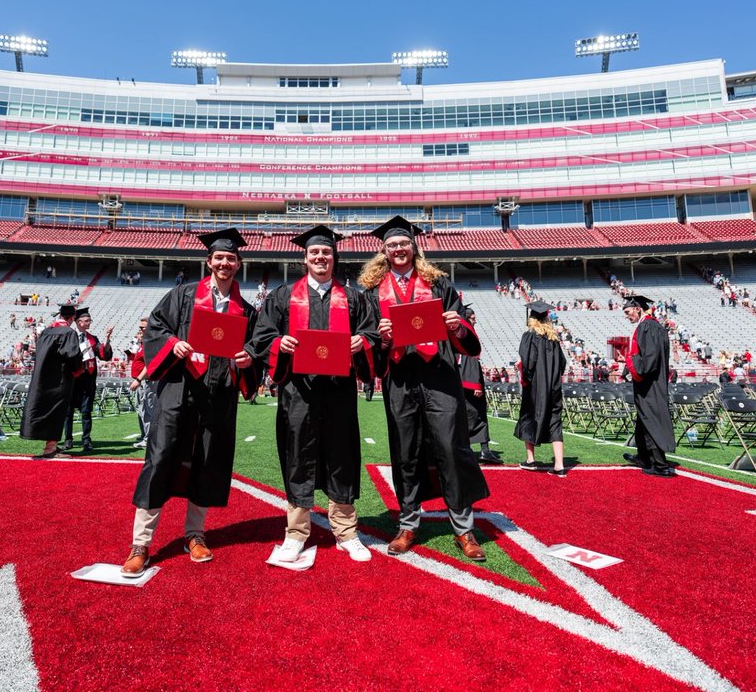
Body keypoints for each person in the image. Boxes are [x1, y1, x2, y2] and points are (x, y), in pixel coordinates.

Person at [120, 229, 260, 577]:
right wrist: (172, 345)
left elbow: (258, 348)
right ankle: (141, 543)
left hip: (218, 393)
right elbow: (156, 328)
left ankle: (194, 534)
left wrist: (248, 359)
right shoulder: (182, 295)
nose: (225, 263)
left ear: (238, 264)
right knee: (161, 456)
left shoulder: (246, 310)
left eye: (231, 258)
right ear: (208, 261)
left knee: (208, 460)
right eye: (219, 258)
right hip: (179, 388)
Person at [359, 216, 490, 561]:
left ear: (414, 248)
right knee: (405, 450)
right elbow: (370, 339)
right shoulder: (373, 292)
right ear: (383, 251)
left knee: (451, 446)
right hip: (400, 378)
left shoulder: (439, 284)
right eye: (392, 245)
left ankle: (463, 528)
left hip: (440, 376)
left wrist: (456, 326)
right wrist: (382, 339)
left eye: (404, 243)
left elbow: (463, 329)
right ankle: (408, 523)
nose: (399, 249)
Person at [248, 225, 378, 564]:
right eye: (314, 253)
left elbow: (372, 333)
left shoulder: (352, 297)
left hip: (338, 393)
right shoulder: (283, 296)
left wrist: (360, 342)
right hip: (298, 393)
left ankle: (347, 532)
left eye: (326, 253)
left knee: (341, 457)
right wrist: (280, 344)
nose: (320, 257)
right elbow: (262, 336)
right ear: (304, 258)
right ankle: (295, 533)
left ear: (334, 258)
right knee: (298, 456)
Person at [621, 295, 677, 478]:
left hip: (649, 383)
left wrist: (632, 365)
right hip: (651, 382)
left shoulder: (648, 326)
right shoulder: (653, 326)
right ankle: (644, 456)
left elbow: (649, 360)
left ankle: (660, 465)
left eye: (628, 312)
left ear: (637, 308)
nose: (627, 316)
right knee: (643, 419)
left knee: (651, 419)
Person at [20, 304, 83, 459]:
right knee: (56, 411)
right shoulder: (68, 332)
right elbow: (72, 355)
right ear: (73, 318)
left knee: (44, 408)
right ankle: (50, 448)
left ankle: (51, 445)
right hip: (59, 379)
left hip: (42, 378)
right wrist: (78, 369)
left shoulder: (46, 332)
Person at [514, 301, 567, 476]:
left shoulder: (529, 336)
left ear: (531, 318)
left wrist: (524, 374)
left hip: (536, 387)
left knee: (529, 418)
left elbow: (528, 363)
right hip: (554, 388)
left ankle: (530, 460)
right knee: (554, 421)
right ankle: (559, 465)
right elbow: (562, 364)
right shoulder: (553, 340)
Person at [62, 310, 113, 451]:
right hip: (72, 380)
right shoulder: (69, 336)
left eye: (90, 320)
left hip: (87, 380)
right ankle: (68, 439)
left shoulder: (92, 338)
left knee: (86, 411)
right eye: (87, 320)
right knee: (68, 411)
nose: (89, 322)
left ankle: (86, 440)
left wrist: (107, 339)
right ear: (79, 322)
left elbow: (103, 354)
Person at [456, 311, 502, 464]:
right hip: (469, 383)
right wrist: (475, 385)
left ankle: (475, 450)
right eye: (473, 318)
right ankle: (484, 451)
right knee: (478, 416)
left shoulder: (460, 333)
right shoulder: (467, 334)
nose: (475, 321)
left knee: (468, 417)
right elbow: (471, 361)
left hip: (462, 382)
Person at [124, 318, 152, 449]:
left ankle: (148, 439)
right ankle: (145, 436)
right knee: (141, 409)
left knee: (147, 410)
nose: (140, 330)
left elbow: (149, 365)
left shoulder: (149, 343)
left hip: (145, 381)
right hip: (140, 381)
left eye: (143, 328)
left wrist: (139, 379)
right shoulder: (143, 343)